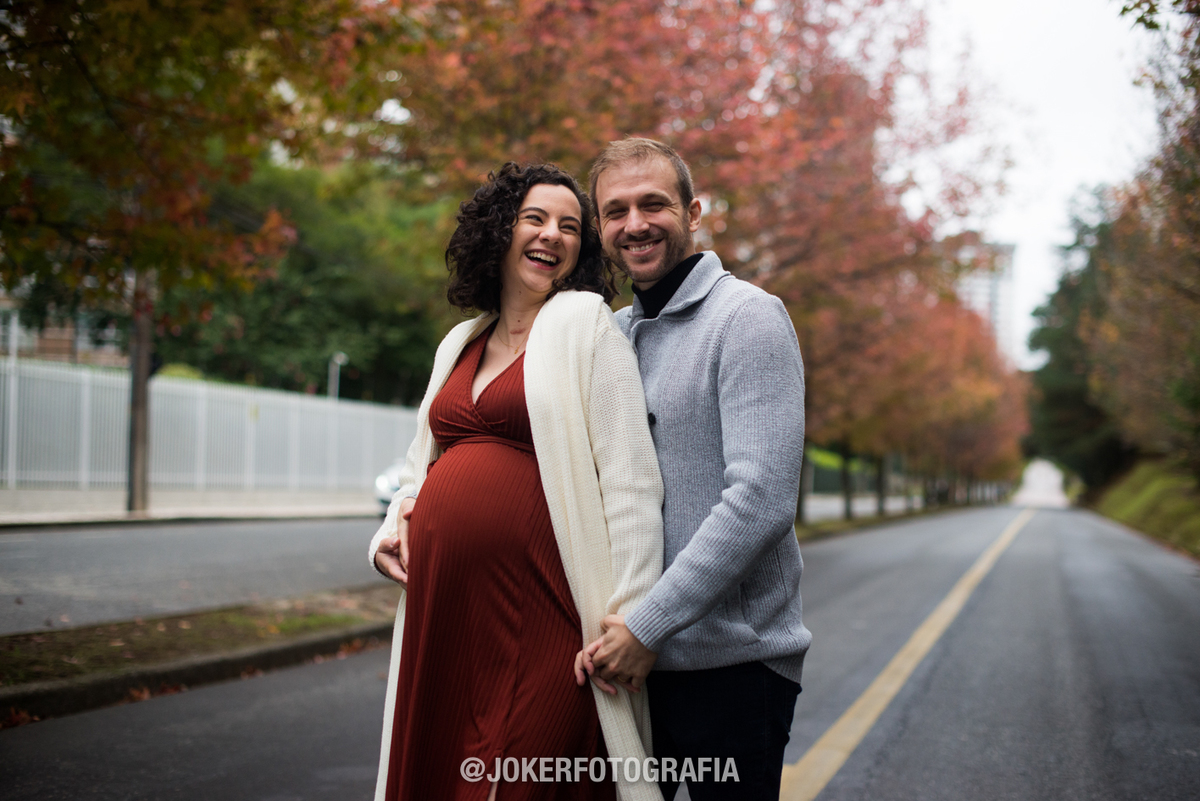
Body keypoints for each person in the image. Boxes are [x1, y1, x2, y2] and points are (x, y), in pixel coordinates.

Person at [369, 162, 665, 801]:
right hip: (445, 613)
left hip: (547, 612)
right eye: (535, 218)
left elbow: (632, 481)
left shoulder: (586, 324)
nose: (552, 235)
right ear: (499, 231)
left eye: (568, 226)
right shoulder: (459, 343)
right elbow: (421, 469)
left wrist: (633, 615)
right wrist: (391, 531)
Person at [578, 138, 811, 801]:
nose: (635, 224)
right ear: (600, 228)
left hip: (731, 666)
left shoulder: (748, 318)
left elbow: (761, 497)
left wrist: (648, 625)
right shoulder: (611, 335)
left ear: (694, 210)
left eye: (654, 203)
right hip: (631, 667)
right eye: (615, 210)